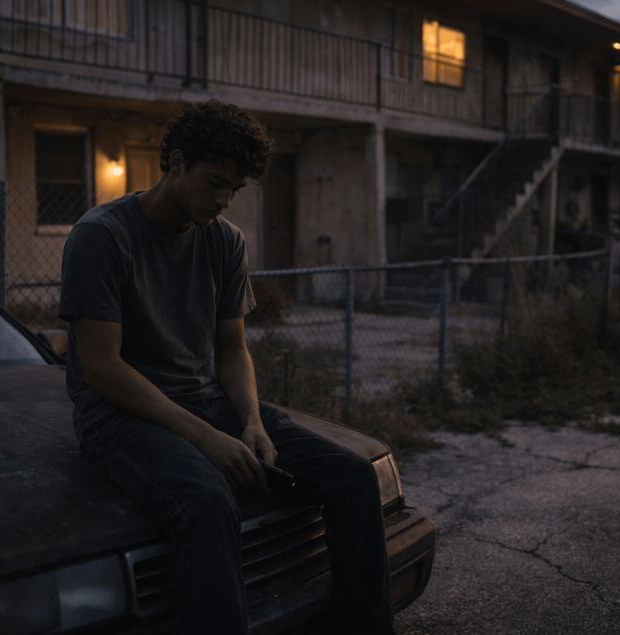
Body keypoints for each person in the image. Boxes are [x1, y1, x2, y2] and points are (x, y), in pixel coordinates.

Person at [58, 100, 395, 635]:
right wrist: (206, 440)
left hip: (205, 400)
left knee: (352, 477)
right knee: (209, 502)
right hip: (117, 415)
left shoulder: (225, 241)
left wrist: (252, 422)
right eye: (214, 181)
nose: (223, 200)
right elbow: (102, 369)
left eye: (234, 189)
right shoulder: (102, 236)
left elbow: (232, 349)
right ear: (174, 162)